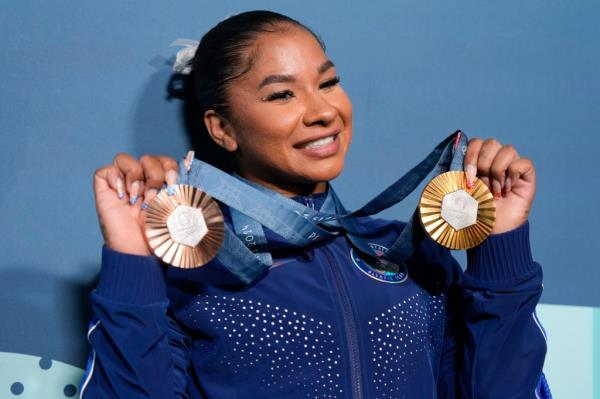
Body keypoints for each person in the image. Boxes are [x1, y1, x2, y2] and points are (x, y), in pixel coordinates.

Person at [81, 10, 549, 399]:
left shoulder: (409, 253)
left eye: (328, 83)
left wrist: (499, 247)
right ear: (221, 128)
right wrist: (131, 258)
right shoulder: (191, 266)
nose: (323, 111)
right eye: (282, 94)